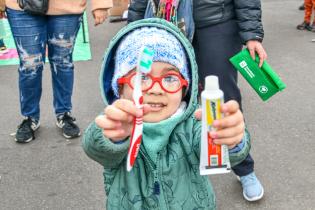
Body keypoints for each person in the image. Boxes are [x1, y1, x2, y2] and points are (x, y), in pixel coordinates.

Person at [82, 18, 250, 209]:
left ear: (185, 88)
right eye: (142, 77)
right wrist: (115, 136)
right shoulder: (118, 126)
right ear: (119, 89)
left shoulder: (193, 123)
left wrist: (231, 138)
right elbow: (96, 148)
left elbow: (219, 151)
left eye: (170, 78)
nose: (156, 89)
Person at [127, 0, 265, 202]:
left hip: (217, 22)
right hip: (167, 20)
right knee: (168, 96)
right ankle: (167, 170)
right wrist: (132, 31)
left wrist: (252, 33)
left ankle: (243, 166)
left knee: (222, 100)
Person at [1, 0, 112, 143]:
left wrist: (100, 4)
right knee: (29, 65)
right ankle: (29, 117)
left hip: (67, 7)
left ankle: (64, 114)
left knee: (62, 63)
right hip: (21, 6)